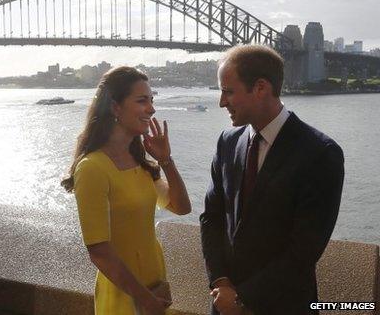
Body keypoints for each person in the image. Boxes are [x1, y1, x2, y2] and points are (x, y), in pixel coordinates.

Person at [200, 45, 344, 315]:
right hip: (224, 303)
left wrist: (242, 298)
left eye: (228, 91)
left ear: (261, 88)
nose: (221, 102)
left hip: (283, 306)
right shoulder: (227, 143)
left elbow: (304, 249)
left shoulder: (320, 153)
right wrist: (220, 282)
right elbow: (211, 218)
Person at [62, 66, 192, 315]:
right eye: (142, 100)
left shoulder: (140, 161)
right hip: (126, 292)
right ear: (115, 107)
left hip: (153, 284)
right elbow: (99, 252)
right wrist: (145, 299)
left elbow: (181, 207)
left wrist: (166, 161)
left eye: (151, 100)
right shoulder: (93, 168)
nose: (151, 108)